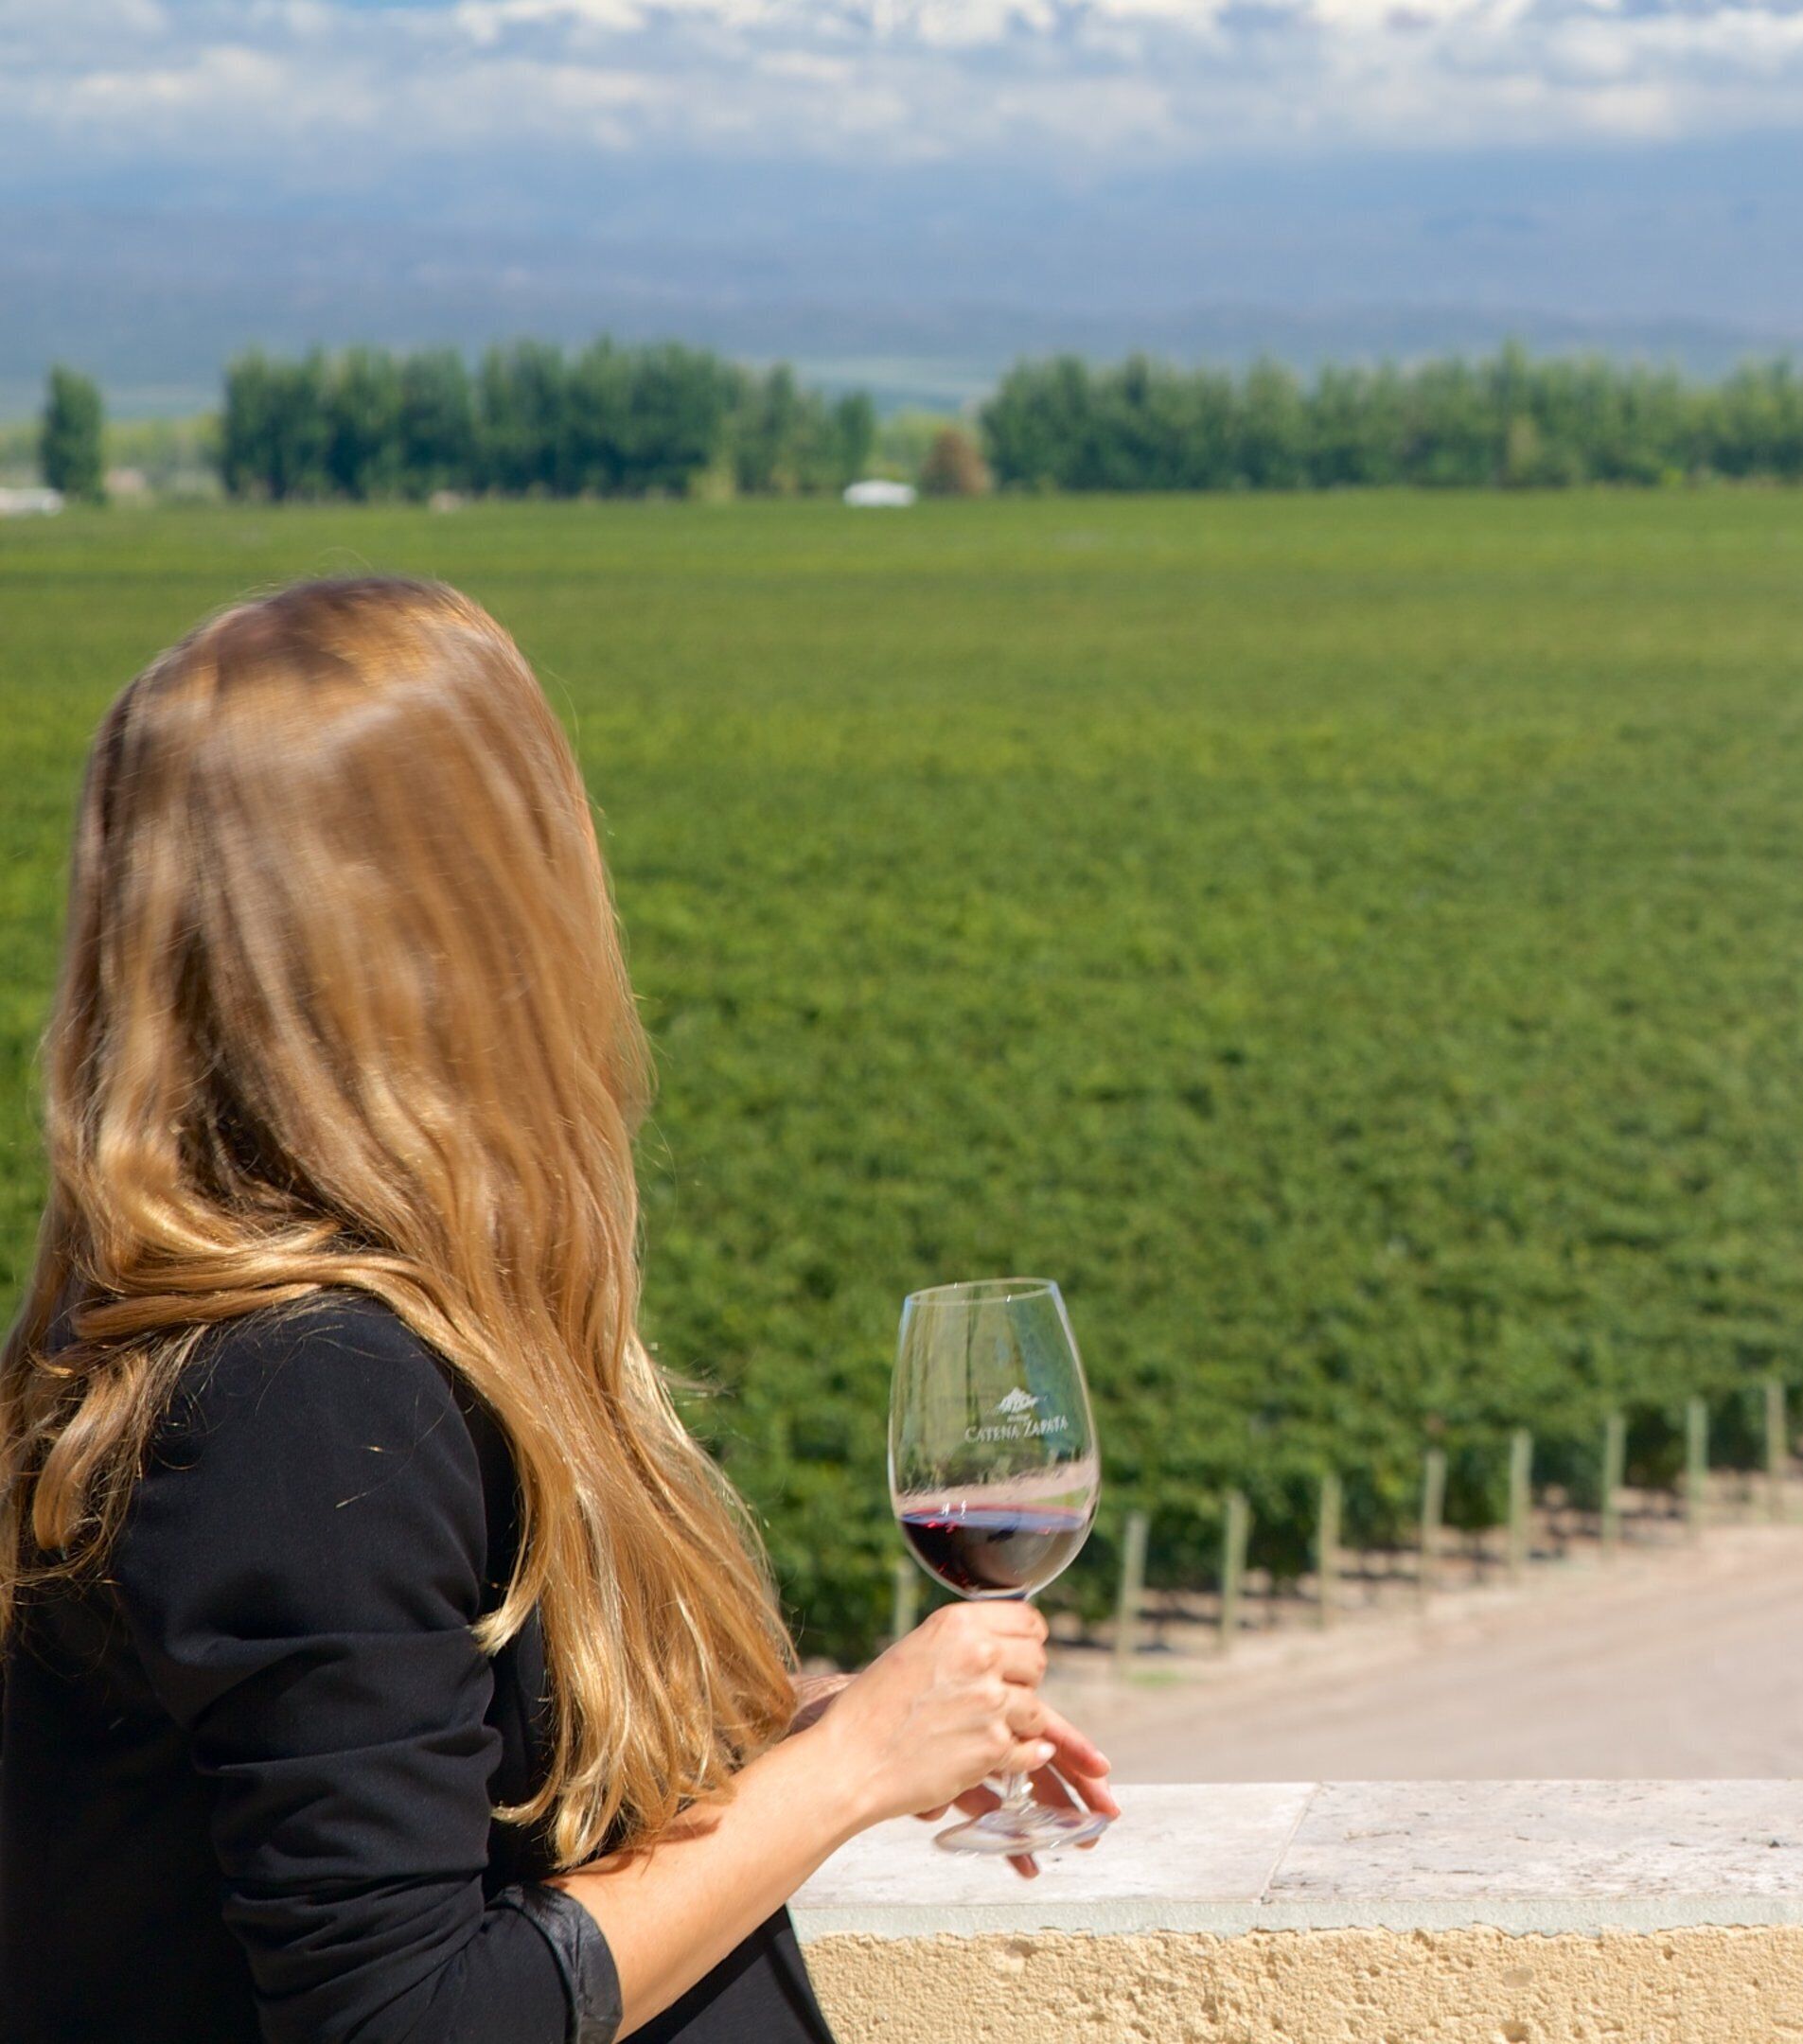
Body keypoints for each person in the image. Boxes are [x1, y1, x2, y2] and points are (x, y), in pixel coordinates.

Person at [0, 579, 1117, 2042]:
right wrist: (839, 1779)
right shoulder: (301, 1395)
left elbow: (448, 1800)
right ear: (482, 914)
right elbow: (407, 2017)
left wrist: (817, 1735)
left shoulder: (257, 1348)